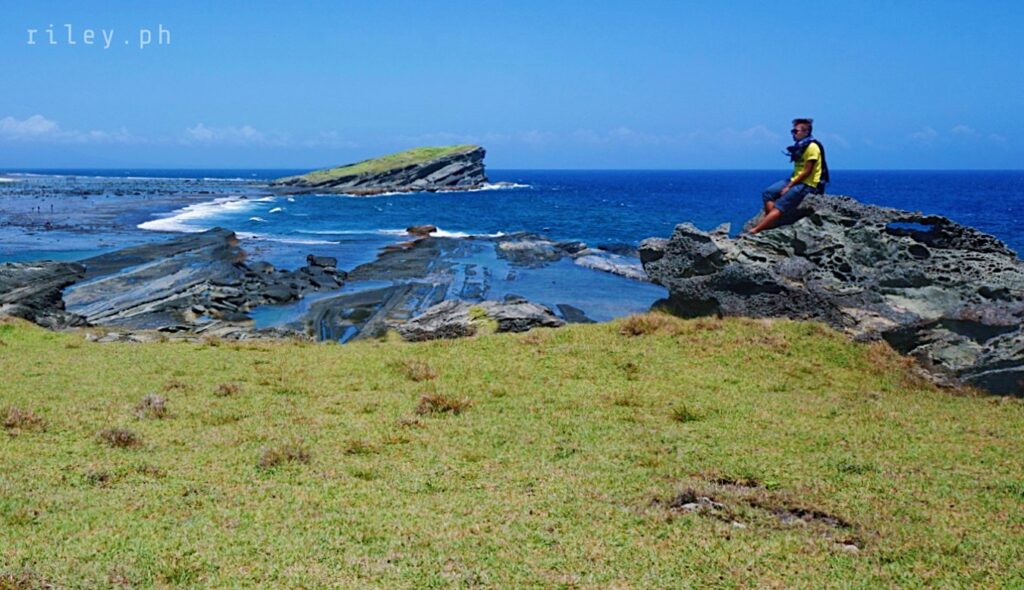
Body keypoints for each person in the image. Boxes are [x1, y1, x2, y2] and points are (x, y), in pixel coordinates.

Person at [749, 118, 828, 234]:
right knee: (768, 193)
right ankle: (772, 221)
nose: (793, 134)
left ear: (806, 132)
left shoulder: (812, 147)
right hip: (795, 179)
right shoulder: (800, 147)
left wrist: (789, 186)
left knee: (780, 205)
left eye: (796, 131)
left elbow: (807, 172)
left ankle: (757, 230)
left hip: (808, 183)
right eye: (793, 131)